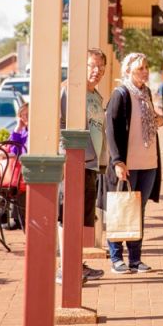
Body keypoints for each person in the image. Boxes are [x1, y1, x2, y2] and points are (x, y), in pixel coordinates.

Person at [102, 52, 163, 274]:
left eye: (146, 67)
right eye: (140, 68)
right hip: (127, 164)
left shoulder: (146, 93)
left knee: (139, 211)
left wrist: (160, 120)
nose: (145, 71)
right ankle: (116, 258)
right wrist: (118, 161)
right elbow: (112, 129)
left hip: (148, 162)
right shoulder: (121, 94)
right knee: (120, 209)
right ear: (128, 70)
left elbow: (150, 121)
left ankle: (135, 259)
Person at [57, 48, 108, 284]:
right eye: (92, 65)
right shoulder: (68, 91)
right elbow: (57, 124)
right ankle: (63, 268)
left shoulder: (96, 95)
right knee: (67, 216)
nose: (96, 71)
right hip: (72, 163)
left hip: (90, 164)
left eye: (101, 67)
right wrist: (65, 155)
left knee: (81, 218)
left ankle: (76, 264)